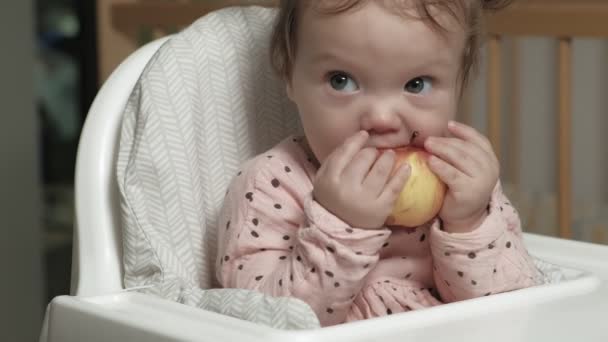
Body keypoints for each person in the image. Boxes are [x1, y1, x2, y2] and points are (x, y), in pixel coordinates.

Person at [216, 0, 541, 327]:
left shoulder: (460, 184)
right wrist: (340, 228)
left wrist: (468, 223)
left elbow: (514, 310)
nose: (382, 118)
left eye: (417, 84)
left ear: (459, 82)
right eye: (341, 80)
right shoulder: (273, 185)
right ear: (289, 73)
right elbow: (258, 321)